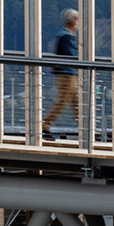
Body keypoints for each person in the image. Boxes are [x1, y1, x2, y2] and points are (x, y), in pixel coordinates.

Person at [41, 9, 80, 138]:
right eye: (78, 20)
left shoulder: (66, 36)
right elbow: (71, 55)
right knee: (63, 101)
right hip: (67, 75)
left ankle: (86, 129)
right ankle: (44, 126)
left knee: (77, 103)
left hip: (70, 74)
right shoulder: (66, 37)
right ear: (74, 21)